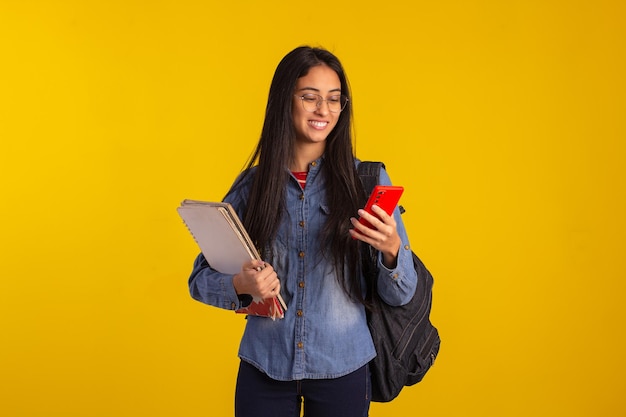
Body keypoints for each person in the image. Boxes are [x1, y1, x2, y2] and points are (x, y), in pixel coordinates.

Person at [188, 46, 417, 417]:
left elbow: (402, 292)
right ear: (285, 101)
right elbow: (199, 279)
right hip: (264, 365)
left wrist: (393, 251)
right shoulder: (252, 186)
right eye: (310, 97)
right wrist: (241, 286)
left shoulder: (366, 181)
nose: (323, 110)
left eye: (334, 99)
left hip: (344, 366)